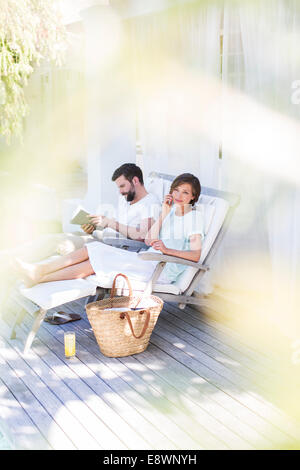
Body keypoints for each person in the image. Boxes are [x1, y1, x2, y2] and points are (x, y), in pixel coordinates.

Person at [14, 173, 204, 289]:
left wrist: (167, 250)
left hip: (161, 270)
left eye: (185, 192)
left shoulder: (194, 219)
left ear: (193, 196)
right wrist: (163, 213)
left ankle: (39, 275)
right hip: (148, 259)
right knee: (93, 249)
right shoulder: (169, 212)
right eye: (176, 190)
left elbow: (196, 255)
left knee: (96, 262)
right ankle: (39, 273)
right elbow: (148, 241)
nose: (179, 196)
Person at [3, 163, 160, 263]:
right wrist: (97, 227)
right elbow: (120, 227)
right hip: (103, 239)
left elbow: (141, 236)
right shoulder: (126, 199)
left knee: (57, 244)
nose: (120, 192)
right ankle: (10, 258)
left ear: (135, 181)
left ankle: (11, 262)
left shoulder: (150, 202)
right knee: (52, 239)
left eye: (122, 186)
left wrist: (110, 222)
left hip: (117, 248)